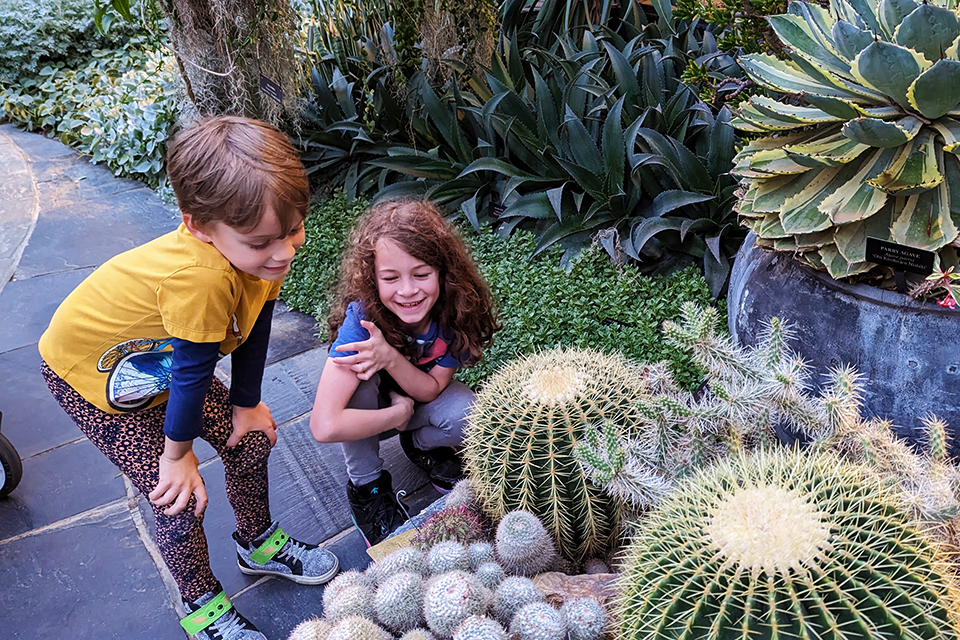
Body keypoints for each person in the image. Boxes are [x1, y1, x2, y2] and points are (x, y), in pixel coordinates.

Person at [38, 116, 339, 640]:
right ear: (198, 225)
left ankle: (258, 544)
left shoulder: (260, 253)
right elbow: (194, 371)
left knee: (249, 442)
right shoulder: (199, 279)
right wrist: (177, 458)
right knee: (176, 498)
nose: (286, 252)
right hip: (91, 379)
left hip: (163, 367)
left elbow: (254, 324)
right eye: (264, 241)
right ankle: (201, 605)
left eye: (293, 229)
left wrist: (246, 405)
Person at [309, 199, 499, 547]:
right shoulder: (361, 323)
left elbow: (430, 390)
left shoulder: (455, 311)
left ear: (443, 272)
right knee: (360, 373)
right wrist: (396, 413)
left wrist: (391, 358)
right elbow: (324, 425)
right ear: (372, 278)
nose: (408, 291)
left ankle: (421, 446)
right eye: (391, 278)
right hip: (369, 416)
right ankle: (368, 488)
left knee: (472, 416)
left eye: (421, 274)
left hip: (414, 405)